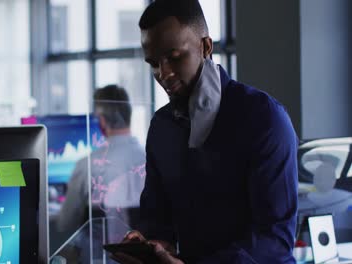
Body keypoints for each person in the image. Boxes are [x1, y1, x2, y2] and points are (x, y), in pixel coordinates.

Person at [113, 0, 298, 263]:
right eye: (154, 63)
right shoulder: (162, 127)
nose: (163, 73)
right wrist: (146, 244)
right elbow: (157, 220)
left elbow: (275, 239)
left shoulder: (264, 118)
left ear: (206, 47)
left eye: (175, 58)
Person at [56, 85, 146, 239]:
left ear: (102, 121)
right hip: (148, 255)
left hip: (101, 256)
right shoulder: (150, 158)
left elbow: (65, 223)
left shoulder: (88, 165)